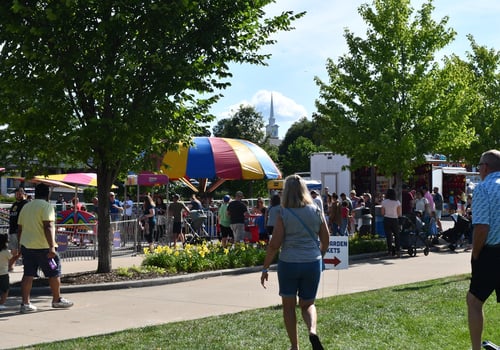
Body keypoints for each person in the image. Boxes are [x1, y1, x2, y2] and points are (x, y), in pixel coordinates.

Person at [260, 174, 329, 350]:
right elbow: (326, 239)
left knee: (289, 307)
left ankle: (294, 346)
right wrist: (318, 254)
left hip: (289, 262)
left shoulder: (284, 213)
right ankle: (312, 330)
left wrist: (265, 267)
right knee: (308, 304)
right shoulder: (316, 211)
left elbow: (274, 244)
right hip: (312, 261)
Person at [17, 183, 73, 313]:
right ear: (47, 194)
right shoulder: (47, 206)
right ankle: (56, 299)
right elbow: (48, 226)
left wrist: (21, 245)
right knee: (54, 272)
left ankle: (25, 303)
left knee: (28, 274)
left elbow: (19, 229)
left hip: (27, 245)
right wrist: (52, 246)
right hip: (43, 247)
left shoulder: (26, 207)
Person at [467, 150, 500, 350]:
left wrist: (476, 253)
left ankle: (476, 349)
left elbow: (481, 228)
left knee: (474, 301)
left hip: (491, 252)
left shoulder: (483, 188)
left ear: (485, 167)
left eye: (479, 166)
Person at [8, 187, 28, 271]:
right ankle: (11, 266)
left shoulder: (25, 203)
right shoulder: (14, 204)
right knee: (14, 250)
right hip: (12, 230)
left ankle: (26, 265)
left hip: (21, 230)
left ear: (23, 194)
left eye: (20, 193)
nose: (18, 195)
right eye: (16, 194)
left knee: (23, 250)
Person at [381, 188, 402, 257]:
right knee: (397, 236)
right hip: (395, 219)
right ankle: (398, 251)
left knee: (388, 236)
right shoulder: (397, 202)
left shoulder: (384, 202)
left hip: (387, 219)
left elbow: (382, 213)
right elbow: (399, 214)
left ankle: (390, 251)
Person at [0, 234, 14, 310]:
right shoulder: (6, 252)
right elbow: (12, 259)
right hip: (3, 273)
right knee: (5, 289)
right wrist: (18, 255)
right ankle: (1, 303)